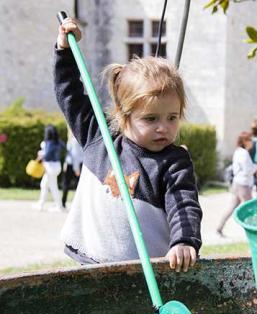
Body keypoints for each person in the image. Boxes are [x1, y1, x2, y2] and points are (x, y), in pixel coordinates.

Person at [55, 17, 202, 272]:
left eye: (172, 118)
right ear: (124, 116)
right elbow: (70, 95)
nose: (163, 127)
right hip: (87, 260)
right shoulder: (99, 136)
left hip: (143, 274)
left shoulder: (173, 162)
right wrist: (64, 52)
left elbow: (183, 203)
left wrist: (184, 241)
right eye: (150, 118)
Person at [216, 132, 257, 236]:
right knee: (250, 208)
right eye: (250, 140)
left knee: (232, 206)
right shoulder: (243, 153)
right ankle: (254, 232)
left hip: (237, 183)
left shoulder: (238, 152)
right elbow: (247, 170)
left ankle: (219, 228)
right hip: (242, 184)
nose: (251, 142)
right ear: (245, 141)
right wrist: (256, 167)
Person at [34, 124, 65, 212]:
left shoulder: (49, 142)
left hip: (50, 167)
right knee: (44, 185)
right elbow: (63, 148)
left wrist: (41, 154)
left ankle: (58, 207)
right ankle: (41, 204)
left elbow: (47, 156)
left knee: (51, 186)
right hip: (56, 166)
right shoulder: (58, 141)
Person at [61, 128, 82, 209]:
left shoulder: (74, 141)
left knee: (73, 185)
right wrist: (65, 163)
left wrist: (76, 168)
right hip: (71, 165)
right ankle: (63, 202)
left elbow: (75, 155)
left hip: (74, 165)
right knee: (66, 184)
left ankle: (66, 203)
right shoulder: (71, 140)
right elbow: (69, 154)